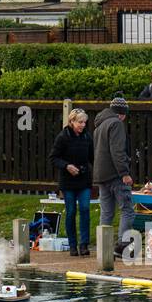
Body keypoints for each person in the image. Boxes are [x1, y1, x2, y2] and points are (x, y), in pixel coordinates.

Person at [94, 94, 134, 256]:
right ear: (122, 113)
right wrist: (124, 173)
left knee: (106, 212)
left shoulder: (99, 124)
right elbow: (117, 151)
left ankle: (103, 247)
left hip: (100, 174)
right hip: (115, 174)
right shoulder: (116, 124)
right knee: (127, 209)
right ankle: (123, 246)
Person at [50, 108, 93, 256]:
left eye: (84, 122)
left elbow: (92, 157)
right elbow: (53, 157)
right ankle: (72, 244)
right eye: (80, 122)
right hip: (68, 181)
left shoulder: (87, 137)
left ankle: (84, 244)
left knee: (85, 209)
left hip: (84, 179)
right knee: (71, 212)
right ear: (72, 121)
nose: (82, 125)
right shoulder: (62, 137)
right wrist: (67, 166)